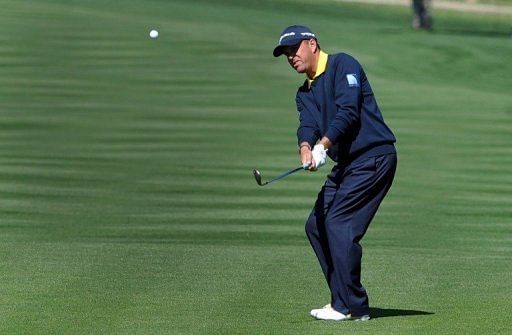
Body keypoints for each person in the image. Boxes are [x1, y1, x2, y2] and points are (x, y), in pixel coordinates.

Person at [272, 25, 397, 321]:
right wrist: (306, 147)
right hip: (349, 165)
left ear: (312, 44)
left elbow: (348, 112)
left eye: (295, 49)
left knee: (339, 222)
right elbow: (307, 124)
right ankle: (341, 300)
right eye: (286, 54)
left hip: (374, 157)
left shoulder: (344, 65)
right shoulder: (305, 92)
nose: (291, 57)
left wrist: (323, 146)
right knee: (316, 224)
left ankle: (352, 305)